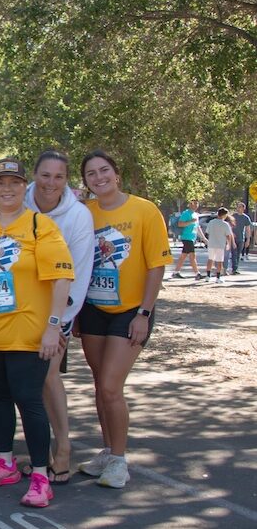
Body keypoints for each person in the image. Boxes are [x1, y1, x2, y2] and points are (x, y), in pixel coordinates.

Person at [0, 158, 73, 508]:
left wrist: (53, 329)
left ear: (24, 186)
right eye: (0, 183)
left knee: (30, 402)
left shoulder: (40, 226)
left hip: (27, 335)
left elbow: (62, 277)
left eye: (13, 182)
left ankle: (41, 475)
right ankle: (5, 463)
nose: (6, 189)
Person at [75, 150, 172, 489]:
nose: (99, 178)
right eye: (91, 174)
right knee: (99, 384)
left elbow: (155, 266)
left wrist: (144, 313)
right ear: (85, 181)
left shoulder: (145, 210)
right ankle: (106, 450)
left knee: (112, 387)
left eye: (104, 170)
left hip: (131, 311)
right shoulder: (85, 212)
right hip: (92, 310)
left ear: (116, 173)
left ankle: (119, 460)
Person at [20, 150, 95, 485]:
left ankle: (62, 449)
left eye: (59, 177)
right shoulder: (18, 203)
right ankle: (40, 455)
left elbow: (78, 273)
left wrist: (58, 322)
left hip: (56, 310)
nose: (51, 183)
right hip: (20, 308)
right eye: (45, 175)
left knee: (49, 376)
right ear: (35, 174)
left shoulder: (77, 217)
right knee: (25, 383)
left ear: (67, 181)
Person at [172, 199, 204, 280]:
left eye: (197, 204)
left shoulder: (196, 214)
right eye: (194, 203)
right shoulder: (186, 213)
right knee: (192, 255)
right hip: (186, 237)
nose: (196, 205)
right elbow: (180, 224)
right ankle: (197, 273)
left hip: (192, 238)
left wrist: (203, 238)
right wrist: (190, 221)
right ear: (190, 204)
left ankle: (176, 272)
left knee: (183, 255)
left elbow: (197, 227)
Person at [203, 207, 234, 283]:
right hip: (220, 244)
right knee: (219, 261)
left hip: (212, 243)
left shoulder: (211, 222)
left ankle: (208, 276)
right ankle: (218, 277)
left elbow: (207, 232)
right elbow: (228, 235)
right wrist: (229, 244)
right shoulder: (225, 224)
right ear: (224, 215)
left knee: (210, 260)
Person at [227, 202, 250, 274]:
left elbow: (248, 229)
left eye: (240, 207)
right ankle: (234, 269)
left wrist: (248, 239)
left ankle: (235, 268)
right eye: (237, 207)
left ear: (243, 208)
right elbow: (228, 226)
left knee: (238, 254)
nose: (238, 208)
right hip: (233, 238)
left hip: (241, 238)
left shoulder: (246, 218)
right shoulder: (233, 216)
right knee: (234, 253)